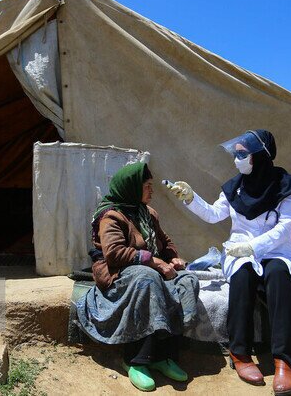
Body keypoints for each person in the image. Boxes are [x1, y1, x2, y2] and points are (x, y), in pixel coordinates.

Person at [168, 130, 291, 396]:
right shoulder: (236, 187)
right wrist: (190, 198)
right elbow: (213, 214)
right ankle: (240, 353)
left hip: (276, 250)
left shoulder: (287, 188)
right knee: (243, 276)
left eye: (242, 154)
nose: (236, 159)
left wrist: (254, 246)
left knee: (279, 274)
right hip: (239, 253)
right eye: (235, 153)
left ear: (260, 155)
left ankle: (284, 360)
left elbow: (283, 230)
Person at [76, 162, 199, 392]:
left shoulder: (149, 213)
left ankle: (163, 356)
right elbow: (113, 253)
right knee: (147, 279)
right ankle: (135, 360)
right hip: (120, 272)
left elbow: (166, 242)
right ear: (132, 188)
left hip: (149, 269)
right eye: (147, 186)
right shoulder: (111, 215)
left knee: (187, 280)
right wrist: (153, 261)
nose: (152, 191)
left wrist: (173, 258)